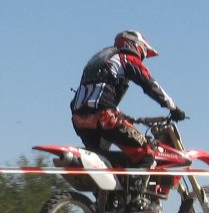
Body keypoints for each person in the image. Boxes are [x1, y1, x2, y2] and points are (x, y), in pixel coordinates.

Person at [70, 30, 186, 166]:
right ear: (136, 45)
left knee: (102, 159)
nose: (142, 56)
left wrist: (124, 116)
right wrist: (174, 108)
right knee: (147, 153)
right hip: (105, 117)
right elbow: (150, 85)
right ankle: (137, 180)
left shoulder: (98, 61)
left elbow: (98, 95)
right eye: (143, 52)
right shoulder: (126, 58)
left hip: (79, 119)